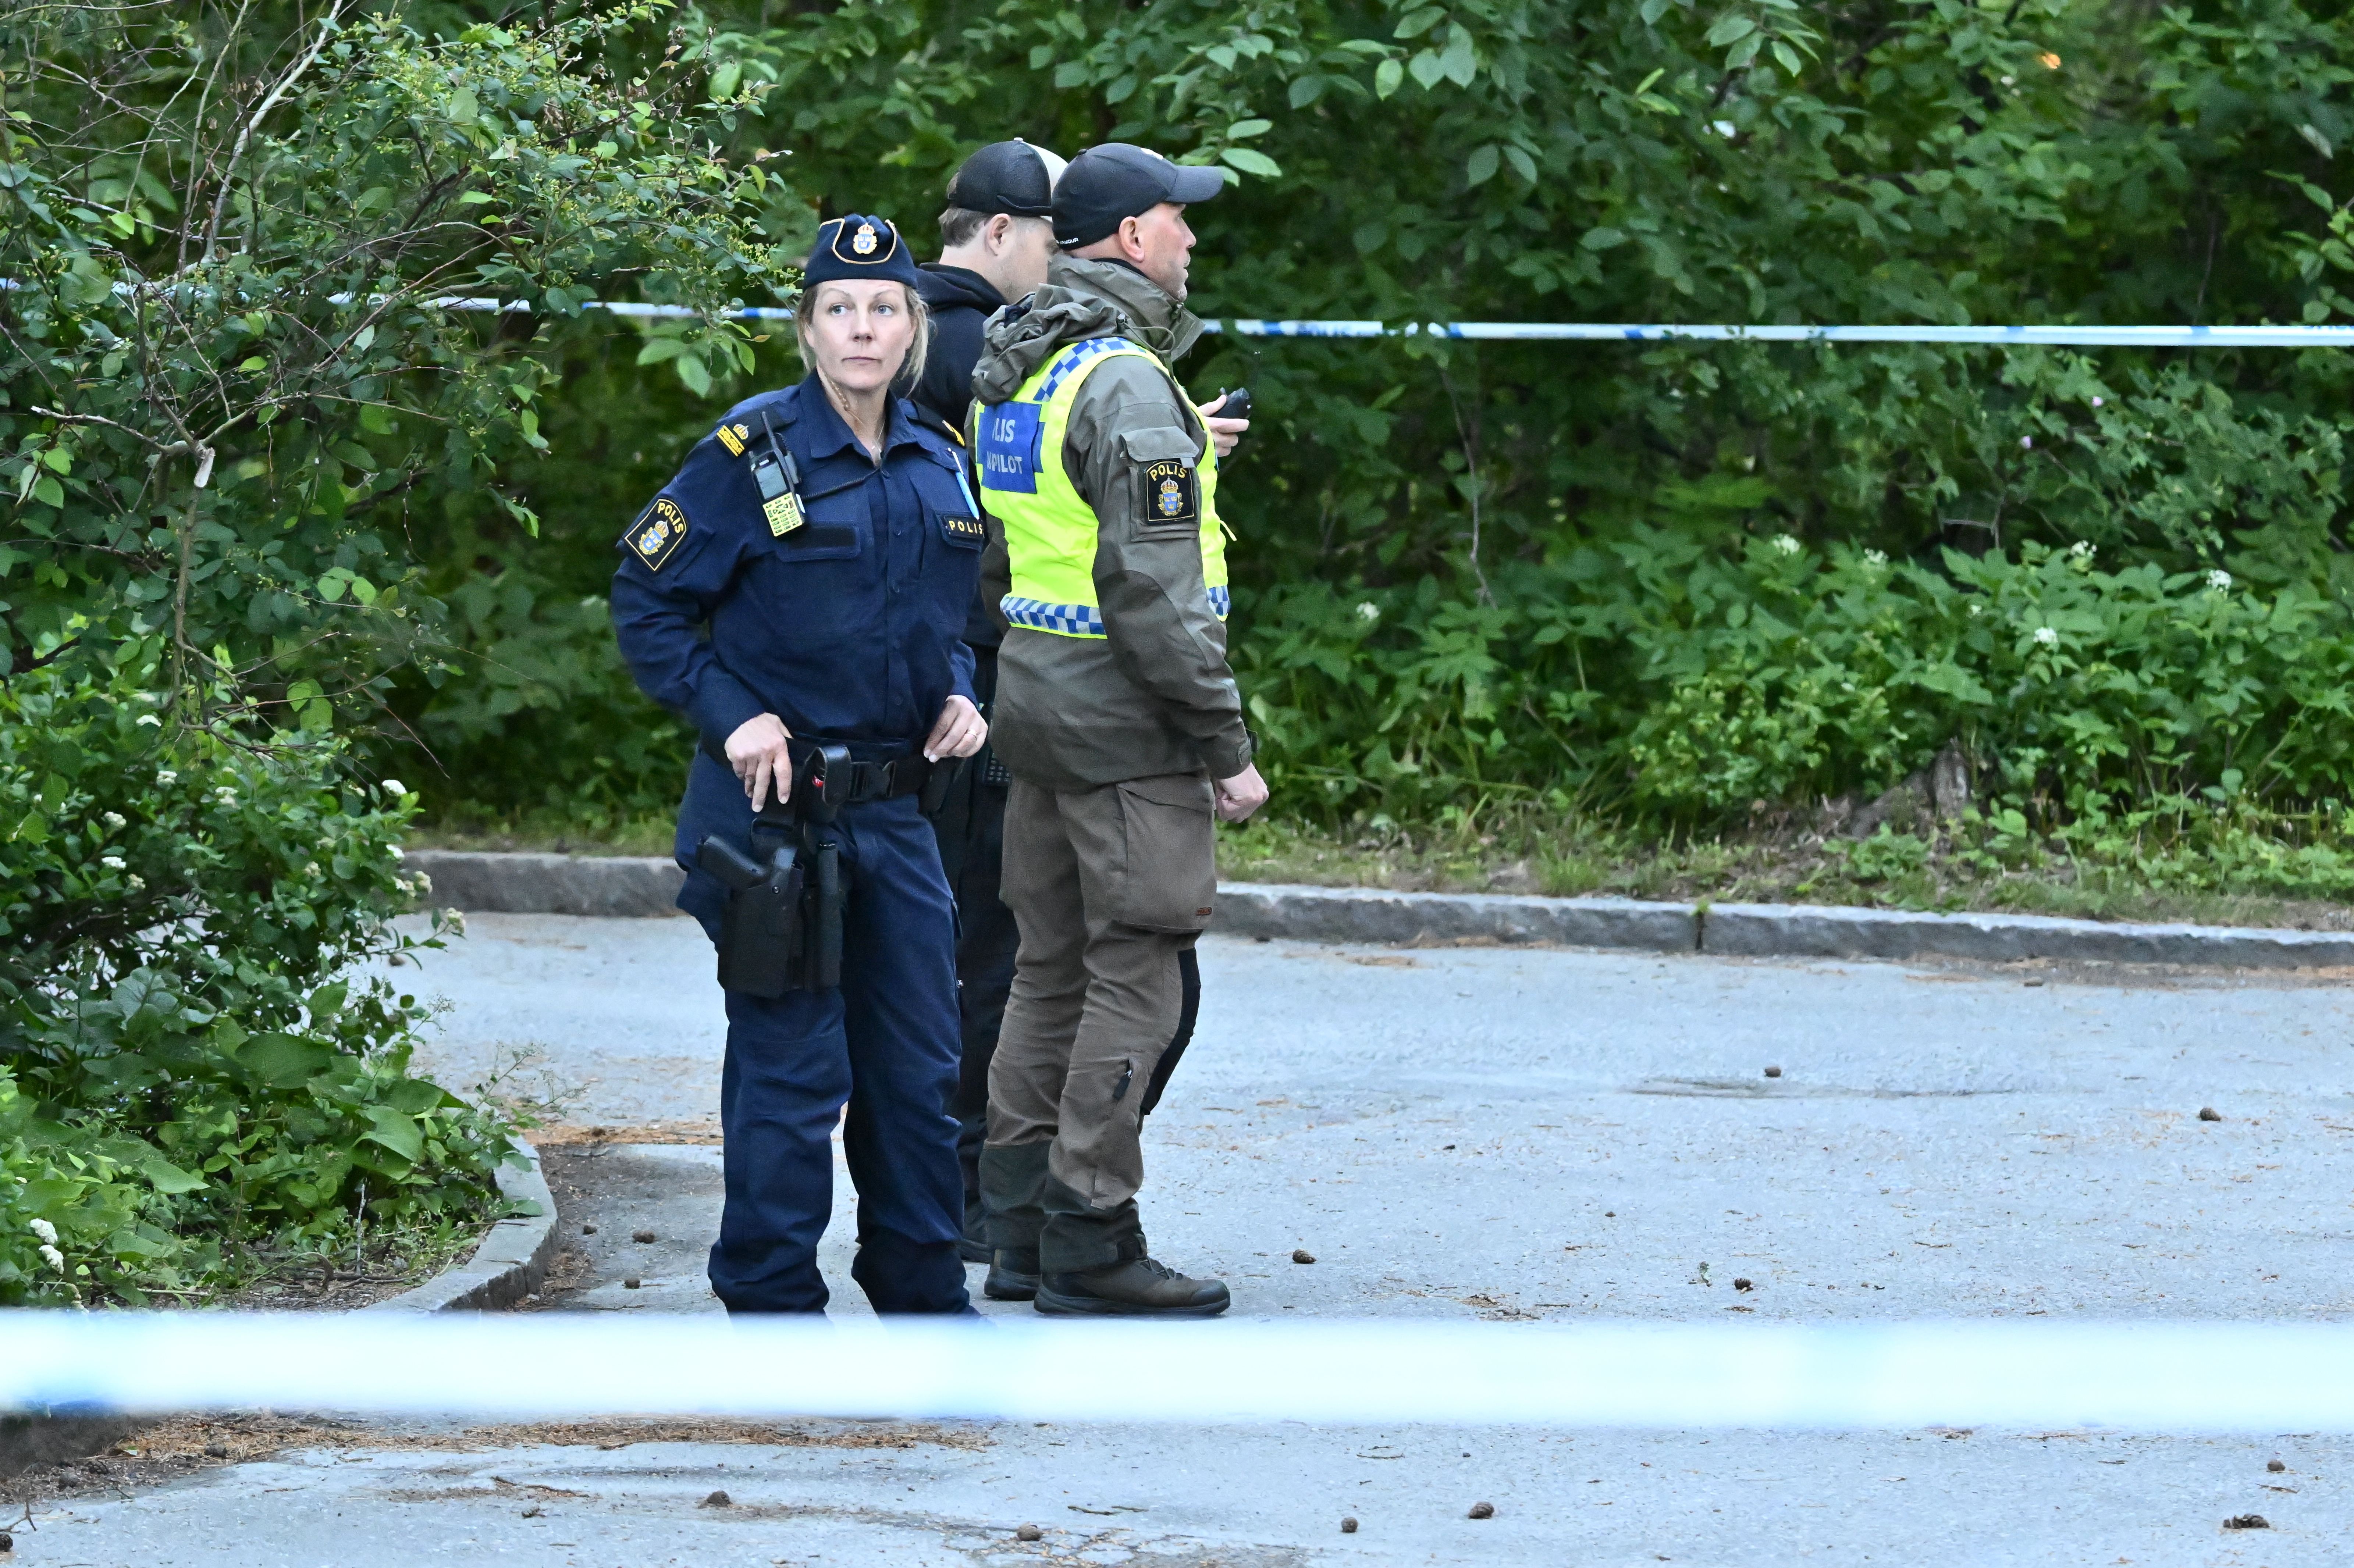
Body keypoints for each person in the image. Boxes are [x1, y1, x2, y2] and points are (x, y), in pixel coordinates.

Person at [609, 213, 989, 1316]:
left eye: (883, 309)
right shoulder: (748, 455)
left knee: (919, 1071)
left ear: (913, 326)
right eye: (840, 309)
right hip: (776, 818)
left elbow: (948, 623)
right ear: (808, 328)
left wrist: (962, 693)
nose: (862, 328)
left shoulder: (937, 456)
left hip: (898, 817)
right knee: (793, 1074)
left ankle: (925, 1298)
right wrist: (734, 715)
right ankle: (773, 1304)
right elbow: (649, 597)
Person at [912, 141, 1247, 1266]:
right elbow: (1155, 593)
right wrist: (1225, 744)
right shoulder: (1126, 382)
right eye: (1177, 220)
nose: (1191, 240)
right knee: (1138, 972)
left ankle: (1013, 1227)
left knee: (1044, 971)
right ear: (1135, 238)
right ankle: (1092, 1231)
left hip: (1037, 707)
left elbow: (1008, 559)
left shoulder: (1026, 367)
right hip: (1126, 719)